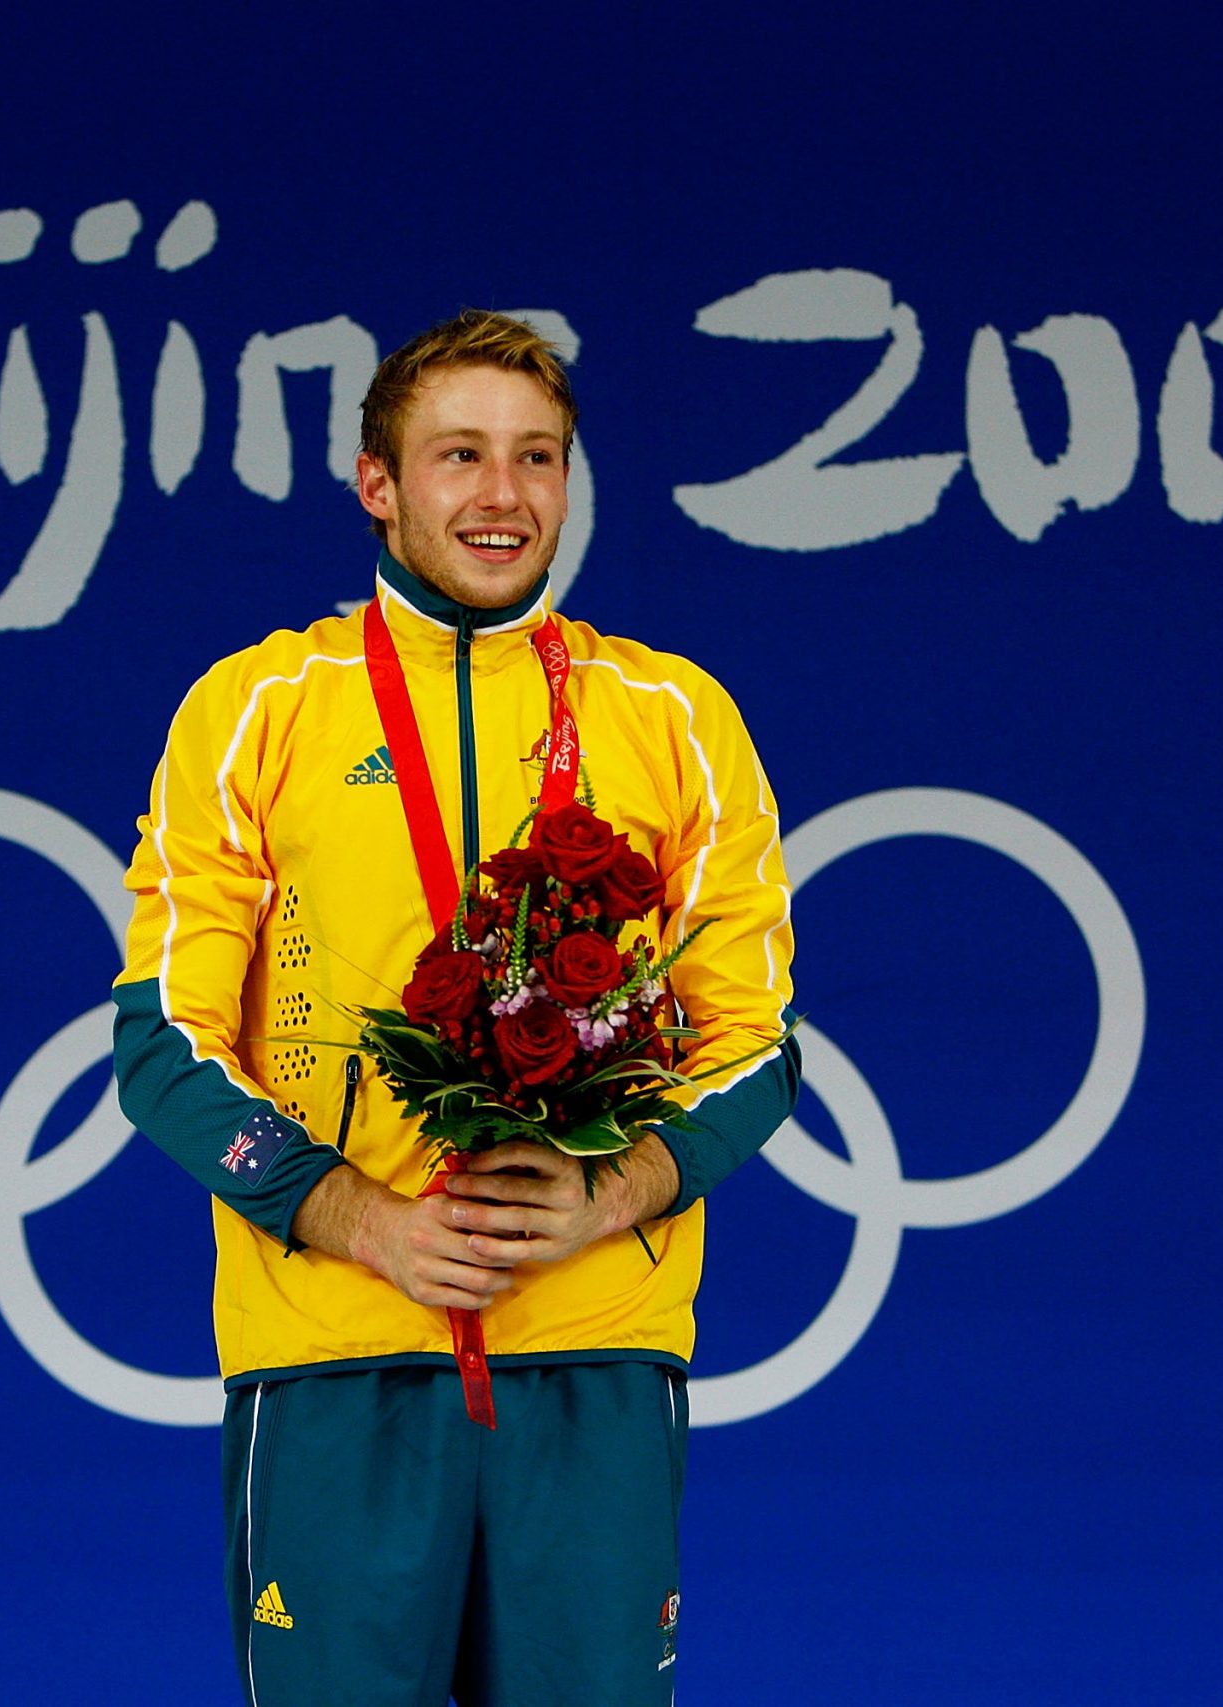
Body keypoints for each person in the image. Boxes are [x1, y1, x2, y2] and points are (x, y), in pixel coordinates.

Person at [112, 309, 799, 1705]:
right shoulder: (261, 707)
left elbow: (757, 1046)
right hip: (336, 1352)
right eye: (461, 457)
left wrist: (615, 1193)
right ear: (380, 485)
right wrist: (365, 1222)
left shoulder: (675, 718)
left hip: (594, 1355)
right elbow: (162, 1047)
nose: (504, 497)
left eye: (538, 459)